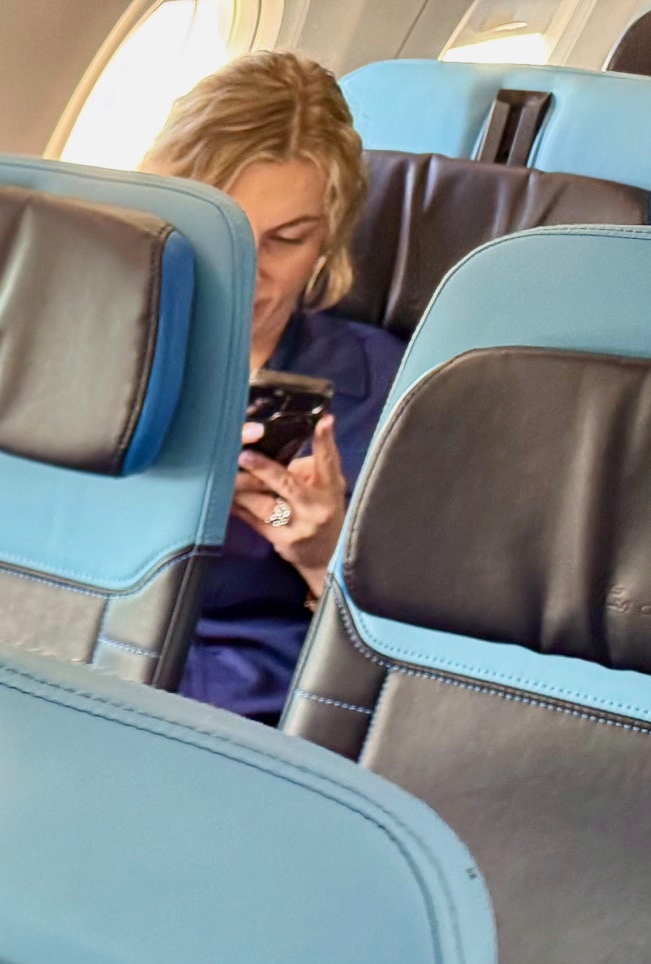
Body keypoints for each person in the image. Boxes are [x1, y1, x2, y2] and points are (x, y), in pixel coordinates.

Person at [143, 52, 404, 723]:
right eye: (221, 232)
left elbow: (402, 662)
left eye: (286, 240)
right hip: (79, 669)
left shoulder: (386, 387)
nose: (247, 269)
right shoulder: (96, 346)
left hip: (249, 708)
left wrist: (323, 557)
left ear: (328, 240)